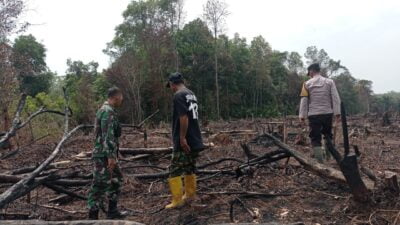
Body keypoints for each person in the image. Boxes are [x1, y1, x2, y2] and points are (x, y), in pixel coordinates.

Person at [165, 72, 205, 209]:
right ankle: (190, 195)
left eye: (170, 86)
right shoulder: (191, 94)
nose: (171, 88)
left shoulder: (178, 95)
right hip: (195, 138)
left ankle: (177, 201)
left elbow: (184, 118)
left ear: (172, 83)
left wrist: (182, 138)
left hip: (185, 141)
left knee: (174, 169)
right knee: (189, 167)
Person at [88, 87, 126, 219]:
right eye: (121, 97)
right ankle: (92, 217)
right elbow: (107, 136)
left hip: (108, 153)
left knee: (116, 179)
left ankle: (112, 211)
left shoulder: (109, 111)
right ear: (116, 97)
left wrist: (114, 154)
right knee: (99, 184)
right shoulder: (107, 111)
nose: (122, 100)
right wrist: (110, 156)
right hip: (103, 155)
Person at [299, 63, 341, 163]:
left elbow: (304, 100)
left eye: (309, 72)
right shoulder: (330, 82)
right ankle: (328, 158)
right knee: (328, 135)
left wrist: (302, 116)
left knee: (315, 138)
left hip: (313, 115)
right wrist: (337, 113)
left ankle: (321, 162)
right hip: (327, 114)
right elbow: (335, 98)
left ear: (312, 71)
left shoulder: (306, 84)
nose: (309, 74)